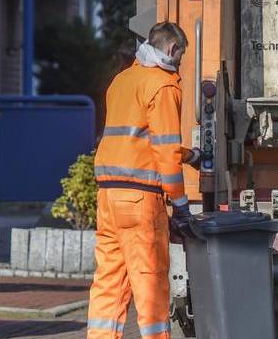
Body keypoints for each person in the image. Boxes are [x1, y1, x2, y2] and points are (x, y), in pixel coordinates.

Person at [86, 22, 201, 339]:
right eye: (181, 55)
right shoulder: (162, 85)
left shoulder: (121, 81)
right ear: (171, 49)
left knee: (109, 281)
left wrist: (189, 154)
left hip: (109, 197)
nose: (179, 62)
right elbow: (163, 150)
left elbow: (137, 139)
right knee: (150, 282)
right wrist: (180, 206)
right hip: (139, 202)